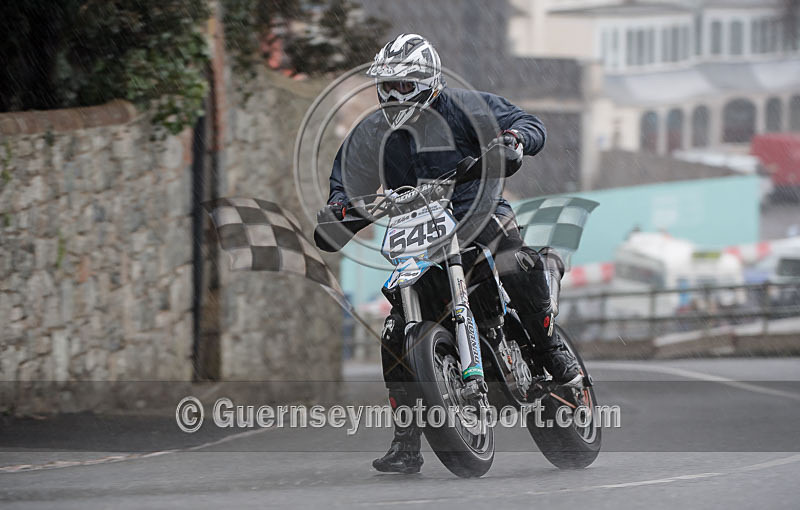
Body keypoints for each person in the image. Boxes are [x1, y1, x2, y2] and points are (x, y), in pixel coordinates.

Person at [315, 34, 580, 474]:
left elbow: (527, 122)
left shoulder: (464, 107)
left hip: (476, 209)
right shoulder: (370, 134)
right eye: (388, 85)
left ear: (429, 80)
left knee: (512, 256)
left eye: (405, 85)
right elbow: (345, 186)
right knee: (396, 329)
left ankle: (550, 345)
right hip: (415, 234)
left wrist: (514, 140)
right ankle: (407, 440)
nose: (394, 94)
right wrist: (339, 211)